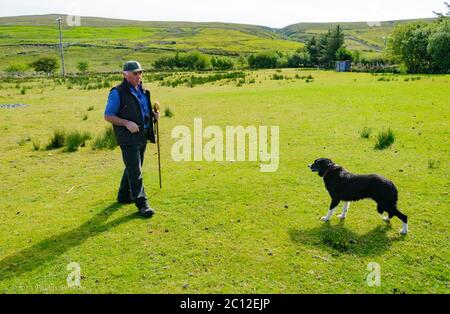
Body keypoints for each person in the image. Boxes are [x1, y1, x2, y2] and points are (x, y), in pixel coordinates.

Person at [104, 60, 160, 217]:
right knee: (136, 171)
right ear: (125, 74)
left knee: (133, 166)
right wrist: (126, 123)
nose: (139, 75)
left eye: (140, 72)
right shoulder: (117, 92)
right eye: (135, 73)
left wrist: (154, 116)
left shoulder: (144, 91)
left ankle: (123, 195)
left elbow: (144, 111)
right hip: (128, 137)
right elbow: (108, 115)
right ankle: (142, 204)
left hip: (143, 135)